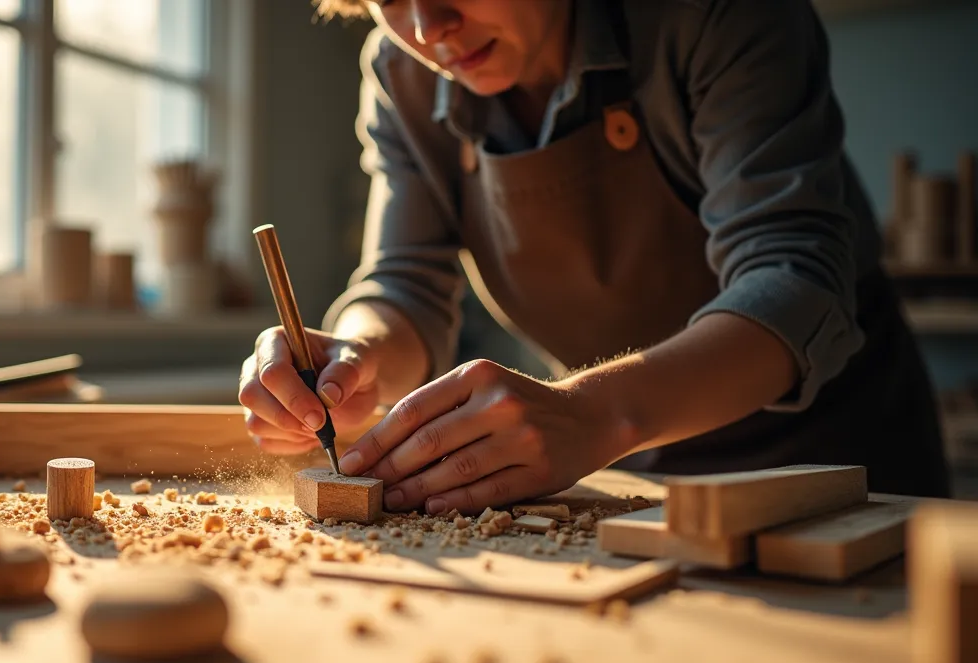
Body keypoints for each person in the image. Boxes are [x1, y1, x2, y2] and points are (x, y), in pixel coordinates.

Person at [238, 0, 953, 515]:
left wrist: (593, 415)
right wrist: (355, 358)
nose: (429, 28)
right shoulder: (403, 71)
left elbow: (793, 279)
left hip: (832, 457)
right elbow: (403, 283)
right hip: (622, 463)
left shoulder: (714, 16)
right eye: (389, 0)